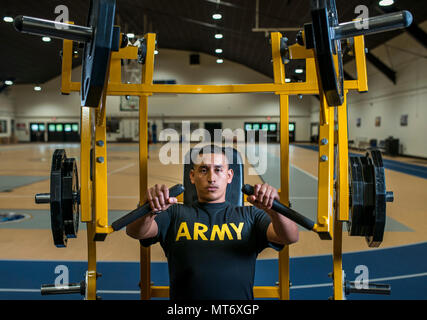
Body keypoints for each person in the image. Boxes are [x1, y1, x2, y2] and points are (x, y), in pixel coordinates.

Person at [126, 145, 299, 300]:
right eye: (203, 170)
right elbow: (135, 231)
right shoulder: (174, 213)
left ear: (230, 176)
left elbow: (289, 236)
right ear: (192, 176)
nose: (211, 178)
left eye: (218, 170)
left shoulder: (250, 215)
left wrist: (275, 211)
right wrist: (149, 209)